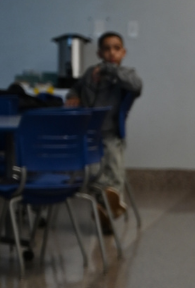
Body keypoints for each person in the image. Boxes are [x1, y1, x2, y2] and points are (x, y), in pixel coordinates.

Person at [66, 31, 142, 231]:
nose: (112, 53)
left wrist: (109, 69)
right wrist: (73, 95)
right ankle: (105, 210)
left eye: (116, 49)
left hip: (111, 134)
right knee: (93, 174)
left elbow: (136, 86)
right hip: (88, 136)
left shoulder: (126, 75)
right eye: (106, 49)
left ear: (123, 52)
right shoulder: (90, 73)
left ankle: (107, 207)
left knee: (114, 172)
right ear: (99, 53)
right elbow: (76, 87)